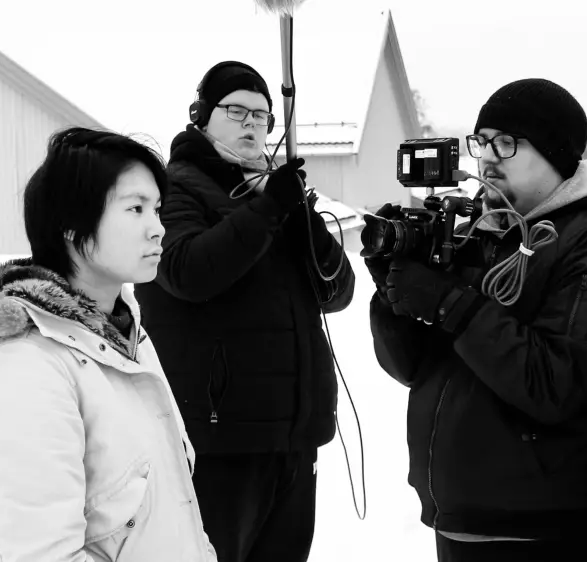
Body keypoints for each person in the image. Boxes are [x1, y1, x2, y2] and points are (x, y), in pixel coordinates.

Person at [367, 78, 587, 562]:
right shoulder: (483, 234)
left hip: (550, 532)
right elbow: (412, 368)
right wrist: (394, 294)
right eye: (482, 141)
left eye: (506, 142)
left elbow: (558, 386)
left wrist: (451, 304)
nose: (488, 157)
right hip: (464, 521)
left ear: (556, 152)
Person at [0, 127, 217, 561]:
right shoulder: (26, 367)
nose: (158, 229)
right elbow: (45, 553)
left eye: (157, 209)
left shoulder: (125, 336)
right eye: (135, 208)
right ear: (72, 227)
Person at [132, 61, 355, 562]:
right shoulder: (170, 189)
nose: (252, 123)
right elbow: (186, 272)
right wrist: (268, 209)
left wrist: (302, 220)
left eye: (262, 115)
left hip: (293, 433)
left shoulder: (274, 194)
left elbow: (338, 292)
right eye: (236, 111)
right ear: (201, 116)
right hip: (217, 436)